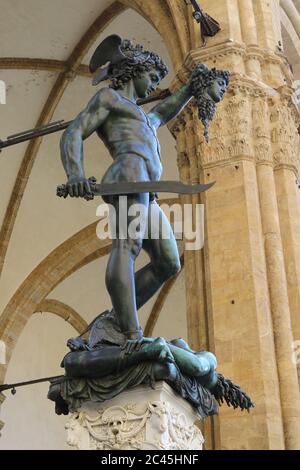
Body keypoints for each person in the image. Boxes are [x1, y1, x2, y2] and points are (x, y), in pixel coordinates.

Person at [60, 35, 229, 343]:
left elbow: (164, 112)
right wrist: (75, 174)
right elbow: (74, 132)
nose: (154, 85)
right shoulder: (109, 100)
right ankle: (131, 332)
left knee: (169, 261)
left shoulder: (142, 116)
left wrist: (192, 87)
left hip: (146, 189)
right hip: (128, 174)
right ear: (135, 71)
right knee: (127, 247)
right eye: (151, 77)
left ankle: (117, 318)